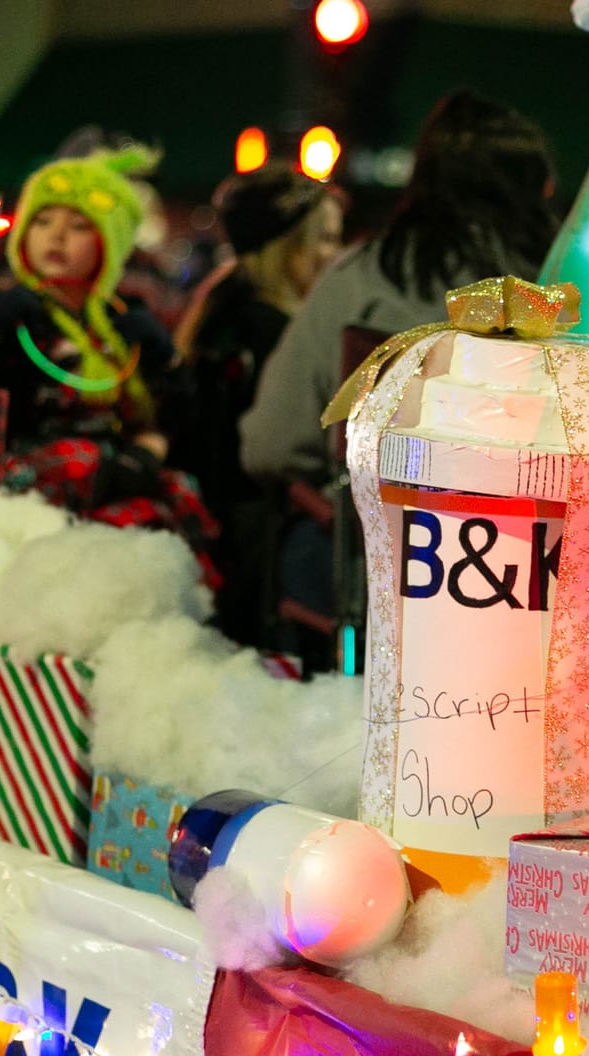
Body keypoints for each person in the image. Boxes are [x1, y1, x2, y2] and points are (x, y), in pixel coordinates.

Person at [238, 91, 561, 659]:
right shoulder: (558, 293)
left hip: (371, 579)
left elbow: (271, 442)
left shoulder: (359, 281)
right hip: (526, 577)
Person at [0, 146, 217, 583]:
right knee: (78, 460)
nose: (56, 237)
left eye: (79, 226)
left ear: (110, 241)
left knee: (176, 497)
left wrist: (150, 441)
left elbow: (174, 412)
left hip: (116, 470)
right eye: (42, 221)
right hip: (33, 479)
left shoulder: (125, 327)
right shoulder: (11, 314)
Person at [173, 167, 342, 643]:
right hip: (253, 550)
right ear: (286, 246)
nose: (333, 256)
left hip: (218, 541)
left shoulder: (217, 306)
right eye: (324, 239)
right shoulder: (271, 333)